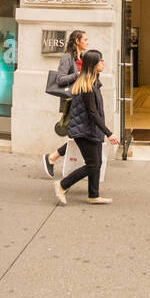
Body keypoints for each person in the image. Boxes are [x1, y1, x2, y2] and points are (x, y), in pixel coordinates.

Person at [53, 49, 118, 205]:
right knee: (92, 164)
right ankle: (62, 185)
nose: (103, 63)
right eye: (100, 61)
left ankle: (93, 195)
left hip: (90, 129)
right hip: (84, 130)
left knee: (97, 163)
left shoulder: (93, 82)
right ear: (93, 65)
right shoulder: (87, 86)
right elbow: (92, 114)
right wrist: (109, 133)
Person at [42, 29, 86, 178]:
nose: (87, 42)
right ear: (77, 41)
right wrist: (77, 75)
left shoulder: (84, 57)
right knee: (80, 136)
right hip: (72, 102)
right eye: (85, 39)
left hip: (83, 101)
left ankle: (55, 158)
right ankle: (52, 157)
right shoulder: (67, 58)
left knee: (80, 136)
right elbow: (60, 79)